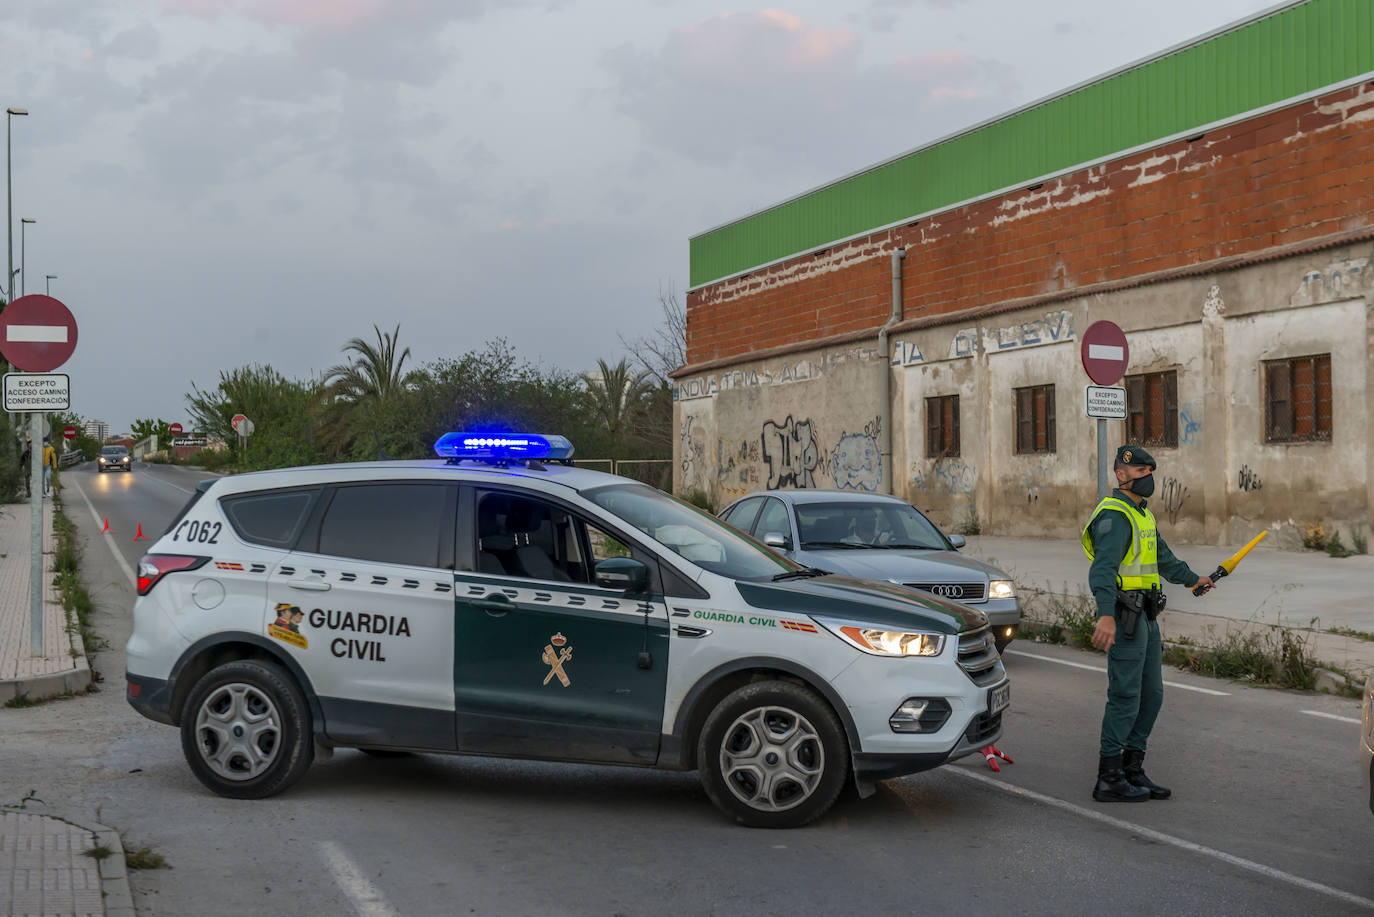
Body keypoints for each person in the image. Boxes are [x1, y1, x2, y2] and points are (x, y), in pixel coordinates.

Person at [1081, 445, 1213, 803]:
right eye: (1140, 472)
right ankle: (1108, 778)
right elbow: (1103, 570)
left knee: (1151, 695)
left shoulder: (1142, 514)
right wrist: (1105, 614)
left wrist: (1192, 579)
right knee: (1125, 696)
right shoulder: (1115, 516)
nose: (1147, 478)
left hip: (1147, 616)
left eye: (1149, 471)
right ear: (1121, 475)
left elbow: (1163, 558)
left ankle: (1132, 769)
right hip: (1124, 617)